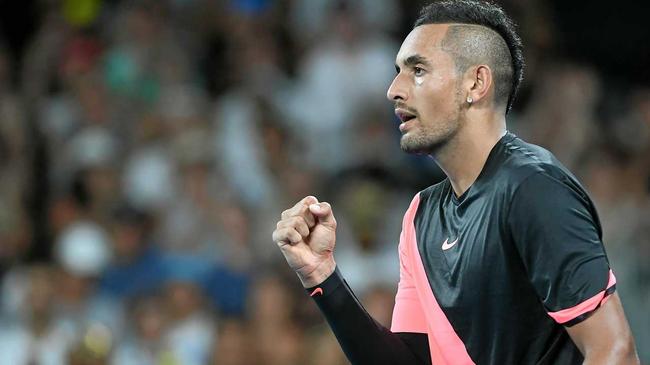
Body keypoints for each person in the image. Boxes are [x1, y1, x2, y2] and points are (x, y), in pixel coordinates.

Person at [271, 1, 640, 364]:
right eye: (398, 70)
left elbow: (614, 351)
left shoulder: (533, 187)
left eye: (417, 70)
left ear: (476, 83)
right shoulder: (421, 215)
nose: (393, 89)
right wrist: (323, 276)